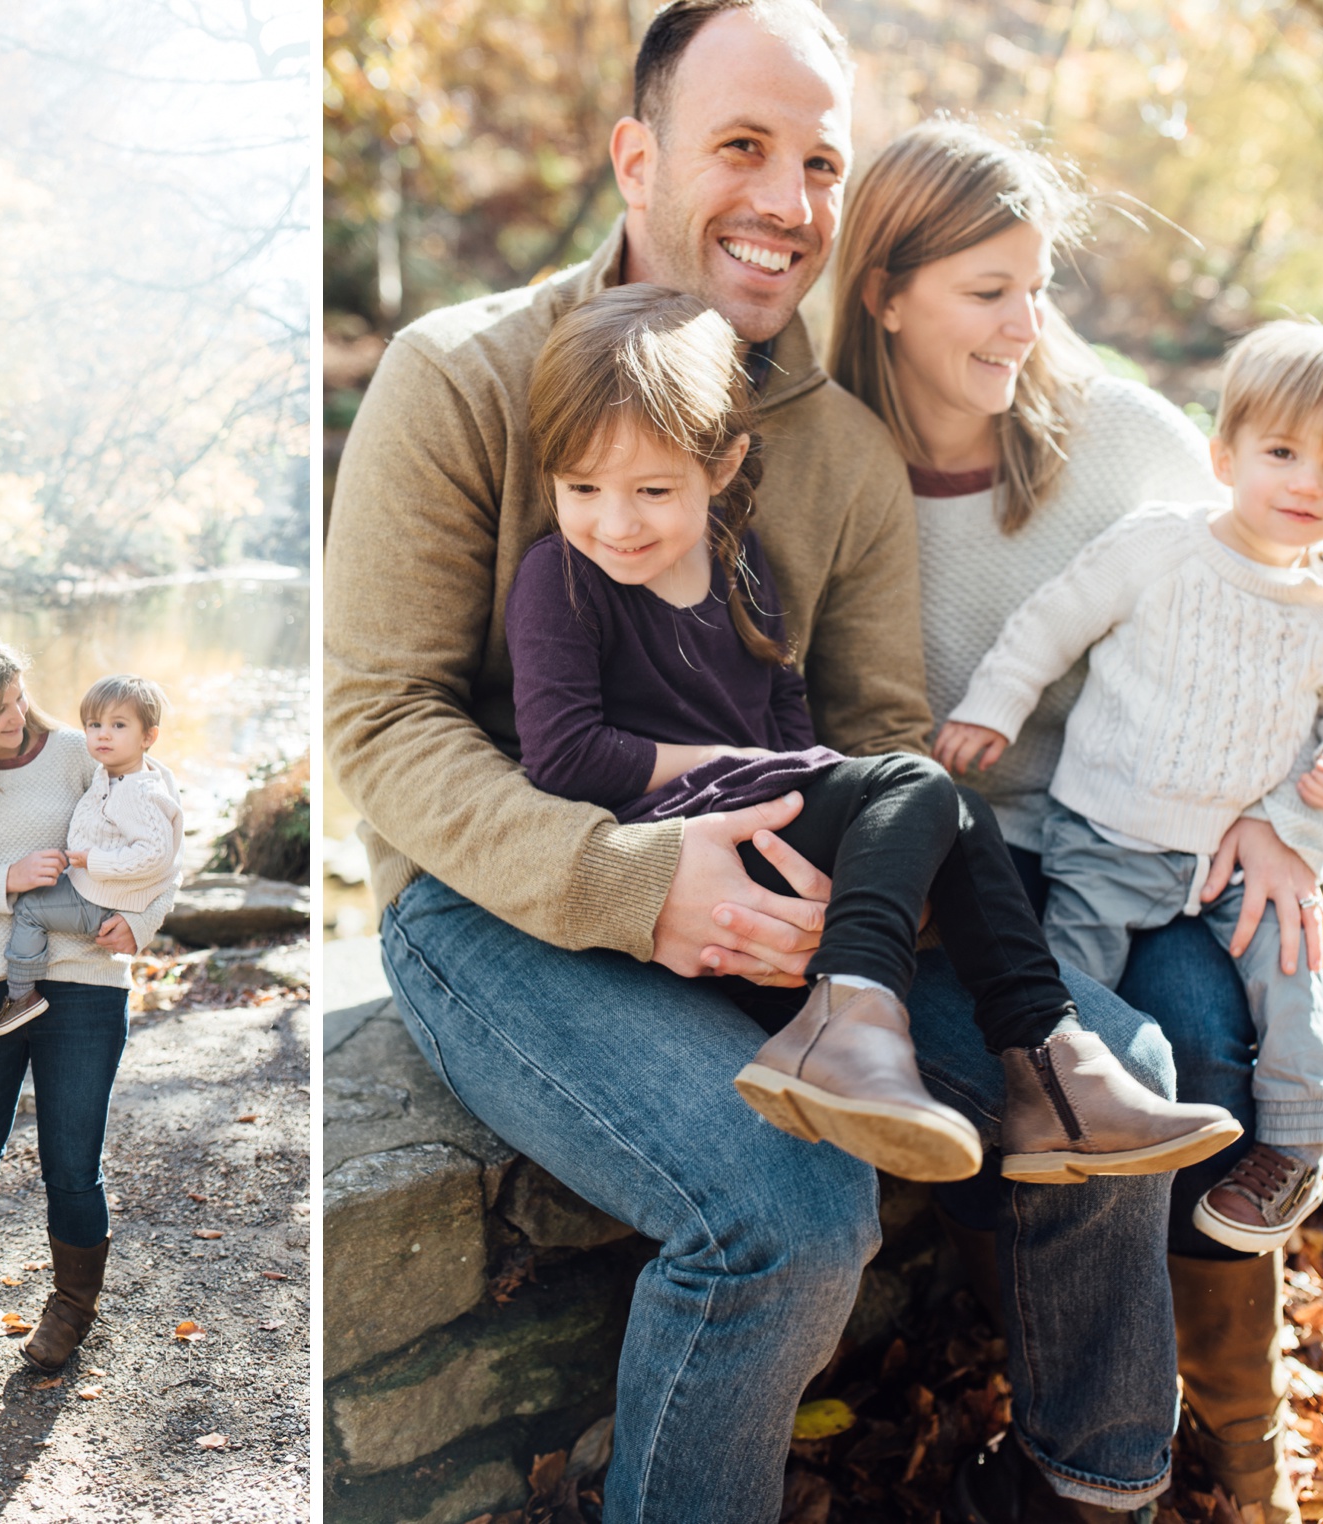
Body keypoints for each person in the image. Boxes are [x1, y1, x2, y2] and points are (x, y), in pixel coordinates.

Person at [325, 1, 1190, 1517]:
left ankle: (1078, 1488)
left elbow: (870, 737)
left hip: (795, 885)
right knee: (789, 1209)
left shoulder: (840, 444)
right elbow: (383, 722)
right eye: (743, 148)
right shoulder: (461, 372)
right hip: (504, 900)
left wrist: (850, 908)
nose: (788, 204)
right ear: (635, 157)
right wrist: (631, 881)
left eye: (821, 164)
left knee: (1123, 1067)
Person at [828, 119, 1317, 1524]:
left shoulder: (1128, 445)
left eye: (1039, 285)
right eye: (990, 290)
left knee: (1212, 1056)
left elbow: (1283, 649)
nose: (1028, 323)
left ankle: (1240, 1455)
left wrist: (1288, 825)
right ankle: (1078, 1430)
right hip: (952, 887)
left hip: (1133, 842)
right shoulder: (826, 463)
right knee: (1054, 1070)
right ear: (887, 292)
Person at [508, 283, 1238, 1183]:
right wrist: (749, 765)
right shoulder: (560, 580)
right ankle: (851, 1019)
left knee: (954, 809)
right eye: (582, 488)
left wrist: (810, 783)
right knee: (917, 785)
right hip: (673, 842)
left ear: (723, 463)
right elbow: (563, 755)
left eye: (653, 490)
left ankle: (1051, 1066)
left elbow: (788, 721)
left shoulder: (743, 572)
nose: (614, 523)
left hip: (764, 823)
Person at [937, 321, 1323, 1244]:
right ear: (1224, 455)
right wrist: (995, 707)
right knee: (1068, 989)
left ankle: (1297, 1146)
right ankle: (1034, 1136)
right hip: (1109, 835)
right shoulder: (1162, 546)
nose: (1310, 482)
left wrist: (1322, 771)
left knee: (1290, 966)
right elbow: (1051, 623)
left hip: (1232, 859)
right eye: (1283, 451)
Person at [0, 634, 176, 1367]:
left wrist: (142, 922)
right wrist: (7, 880)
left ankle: (72, 1309)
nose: (15, 715)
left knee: (73, 1163)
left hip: (84, 981)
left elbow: (163, 836)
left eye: (18, 697)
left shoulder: (77, 753)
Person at [0, 674, 183, 1037]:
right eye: (94, 725)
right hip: (98, 888)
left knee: (29, 910)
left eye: (118, 725)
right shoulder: (116, 773)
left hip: (102, 899)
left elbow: (156, 854)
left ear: (148, 737)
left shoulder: (137, 792)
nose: (102, 735)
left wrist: (94, 861)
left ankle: (21, 995)